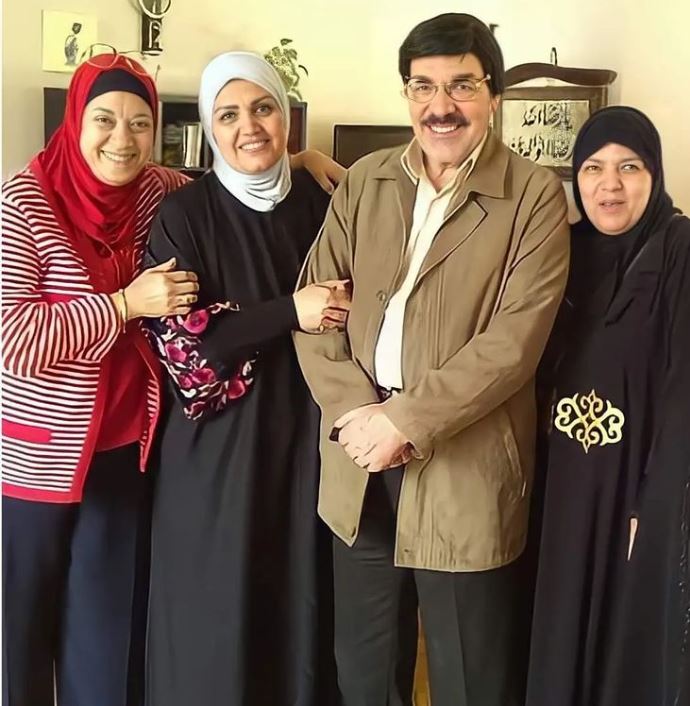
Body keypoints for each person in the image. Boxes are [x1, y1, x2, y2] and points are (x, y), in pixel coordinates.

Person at [1, 50, 344, 706]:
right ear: (74, 123)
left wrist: (297, 159)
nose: (122, 139)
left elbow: (236, 169)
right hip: (40, 461)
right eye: (104, 120)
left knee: (105, 644)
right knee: (23, 635)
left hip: (126, 451)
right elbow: (11, 339)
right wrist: (124, 304)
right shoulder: (24, 203)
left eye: (139, 124)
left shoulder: (156, 190)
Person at [294, 12, 570, 706]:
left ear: (493, 95)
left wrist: (406, 421)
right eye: (423, 86)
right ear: (407, 94)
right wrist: (359, 415)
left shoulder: (533, 195)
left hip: (464, 472)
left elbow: (513, 343)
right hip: (359, 465)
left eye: (462, 86)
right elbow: (315, 308)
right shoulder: (365, 181)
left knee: (470, 679)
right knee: (364, 676)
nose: (440, 106)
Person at [144, 51, 346, 706]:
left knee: (298, 611)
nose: (249, 127)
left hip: (306, 447)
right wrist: (292, 312)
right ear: (209, 126)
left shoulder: (322, 201)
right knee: (214, 615)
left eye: (262, 108)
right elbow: (187, 348)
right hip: (218, 457)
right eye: (228, 115)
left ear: (285, 115)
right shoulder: (184, 215)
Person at [526, 106, 690, 706]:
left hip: (632, 489)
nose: (609, 185)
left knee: (624, 643)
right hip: (559, 487)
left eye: (629, 167)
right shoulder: (563, 251)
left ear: (655, 173)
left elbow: (684, 388)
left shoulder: (679, 249)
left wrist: (655, 503)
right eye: (593, 168)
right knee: (556, 629)